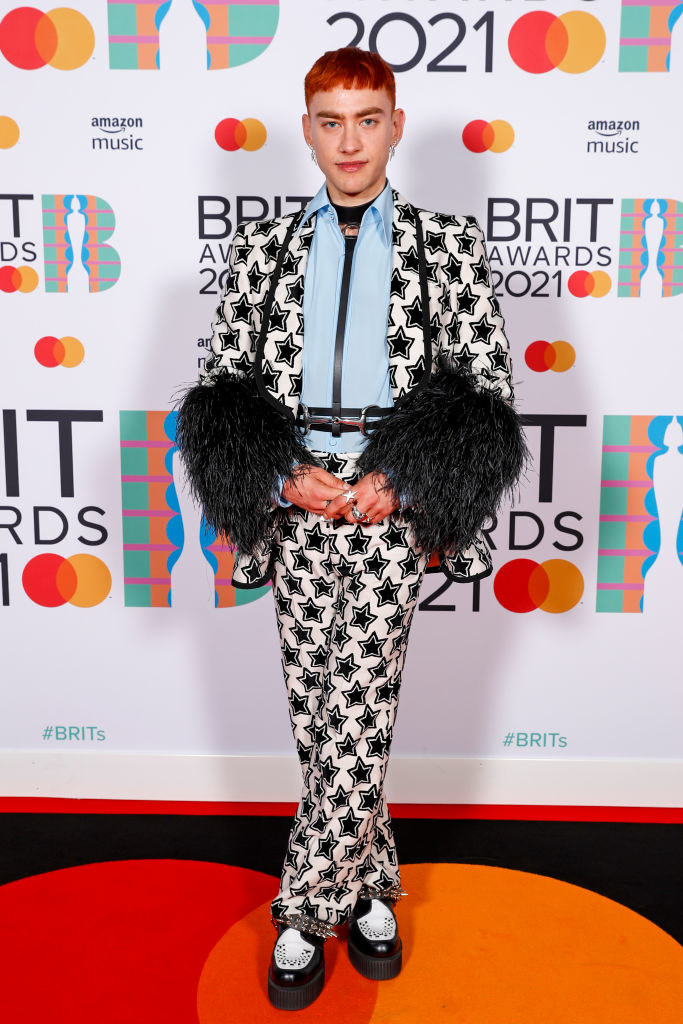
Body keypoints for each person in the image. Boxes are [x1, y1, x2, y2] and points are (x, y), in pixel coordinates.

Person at [174, 46, 529, 1011]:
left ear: (395, 126)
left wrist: (399, 481)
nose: (348, 140)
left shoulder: (446, 246)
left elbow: (487, 393)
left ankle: (303, 908)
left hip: (385, 510)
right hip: (297, 511)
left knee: (359, 706)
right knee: (319, 707)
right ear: (307, 130)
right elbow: (221, 387)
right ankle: (373, 886)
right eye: (330, 120)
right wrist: (281, 476)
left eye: (366, 119)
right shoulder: (262, 248)